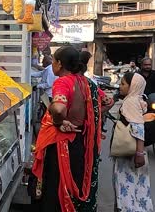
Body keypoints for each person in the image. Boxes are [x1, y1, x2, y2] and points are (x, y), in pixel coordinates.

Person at [32, 46, 102, 212]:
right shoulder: (86, 82)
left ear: (59, 63)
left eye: (54, 62)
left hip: (62, 145)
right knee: (75, 184)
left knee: (56, 190)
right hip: (80, 142)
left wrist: (58, 122)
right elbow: (107, 102)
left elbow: (58, 108)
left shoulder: (63, 82)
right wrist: (87, 120)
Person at [113, 72, 153, 211]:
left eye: (123, 84)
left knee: (127, 190)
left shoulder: (131, 102)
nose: (120, 86)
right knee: (139, 190)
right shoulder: (138, 99)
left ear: (133, 86)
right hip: (136, 153)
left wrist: (139, 153)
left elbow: (138, 127)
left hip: (130, 155)